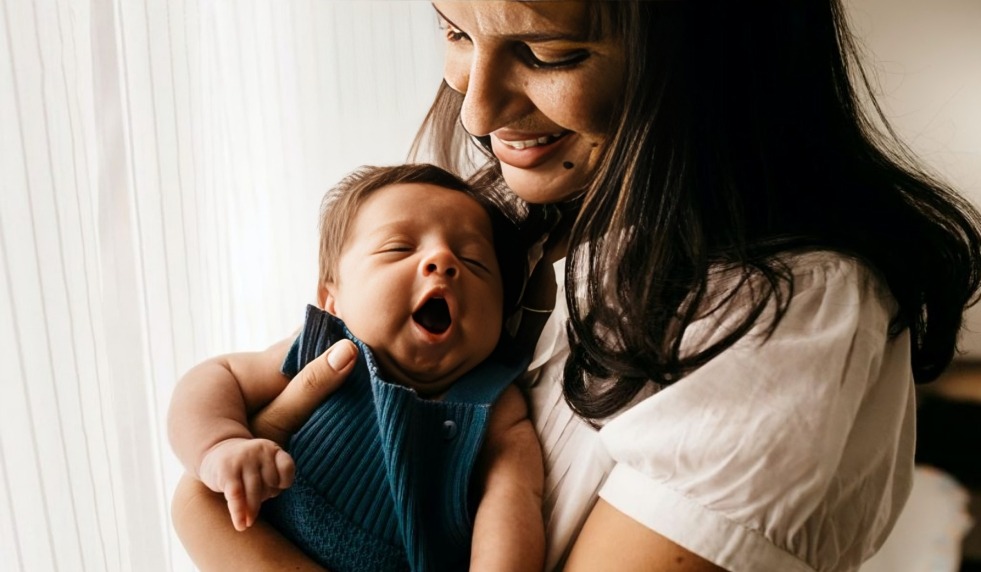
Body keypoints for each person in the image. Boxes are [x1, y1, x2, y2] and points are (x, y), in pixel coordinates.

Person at [171, 2, 981, 571]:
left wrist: (211, 521)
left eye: (549, 53)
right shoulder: (506, 213)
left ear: (711, 58)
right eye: (453, 29)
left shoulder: (781, 317)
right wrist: (219, 460)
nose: (478, 109)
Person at [168, 164, 545, 572]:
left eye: (474, 261)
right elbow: (216, 376)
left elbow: (513, 500)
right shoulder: (322, 348)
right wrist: (220, 445)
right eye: (399, 248)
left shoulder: (495, 404)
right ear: (332, 299)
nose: (443, 260)